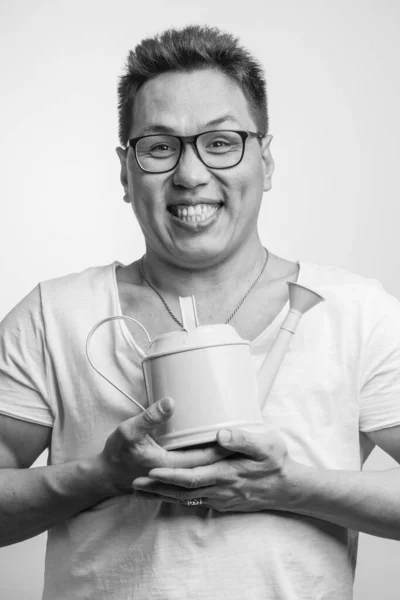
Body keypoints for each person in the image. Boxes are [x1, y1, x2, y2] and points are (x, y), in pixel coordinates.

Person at [0, 24, 400, 600]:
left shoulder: (355, 313)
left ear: (265, 159)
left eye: (220, 142)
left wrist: (287, 487)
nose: (190, 175)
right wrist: (101, 478)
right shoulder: (55, 314)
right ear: (125, 170)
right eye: (160, 147)